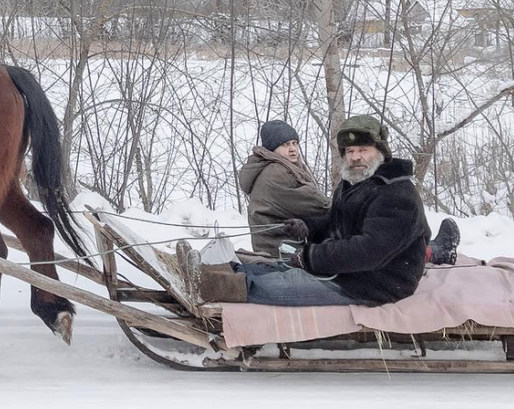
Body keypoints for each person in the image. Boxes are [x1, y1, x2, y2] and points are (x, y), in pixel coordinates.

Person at [180, 114, 458, 307]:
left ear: (380, 151)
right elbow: (334, 218)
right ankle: (207, 272)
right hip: (348, 272)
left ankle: (207, 284)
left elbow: (368, 250)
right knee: (275, 269)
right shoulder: (355, 183)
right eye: (349, 151)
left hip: (375, 284)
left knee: (280, 285)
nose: (355, 157)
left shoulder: (396, 194)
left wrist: (312, 257)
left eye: (363, 149)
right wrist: (309, 227)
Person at [237, 120, 330, 258]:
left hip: (277, 247)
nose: (292, 148)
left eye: (294, 143)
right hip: (283, 252)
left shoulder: (283, 167)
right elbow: (321, 205)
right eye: (285, 144)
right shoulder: (277, 173)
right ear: (272, 149)